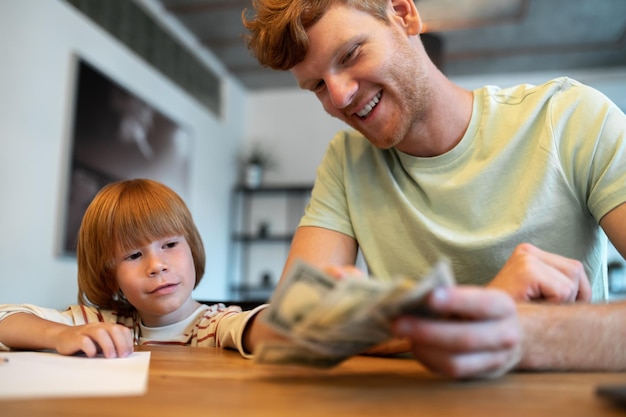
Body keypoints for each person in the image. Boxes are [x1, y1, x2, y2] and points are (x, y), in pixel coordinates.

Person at [240, 0, 626, 378]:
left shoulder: (570, 118)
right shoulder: (346, 162)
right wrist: (464, 315)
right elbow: (289, 327)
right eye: (318, 86)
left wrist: (520, 330)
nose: (340, 97)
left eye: (352, 54)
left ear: (404, 15)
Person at [0, 179, 264, 358]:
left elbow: (258, 329)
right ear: (109, 275)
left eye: (170, 244)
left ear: (192, 249)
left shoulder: (214, 326)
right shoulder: (104, 323)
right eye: (134, 254)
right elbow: (5, 320)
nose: (157, 266)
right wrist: (62, 335)